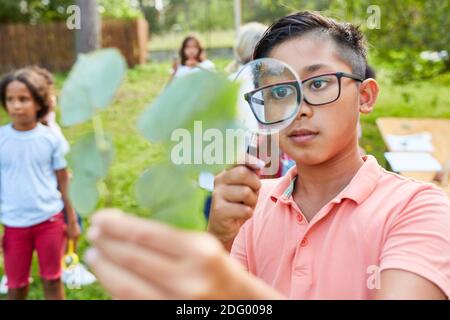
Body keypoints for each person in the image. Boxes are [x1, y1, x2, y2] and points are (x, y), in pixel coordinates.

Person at [85, 11, 450, 299]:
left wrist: (223, 281)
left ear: (366, 96)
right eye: (278, 93)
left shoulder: (419, 209)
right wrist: (219, 237)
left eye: (319, 83)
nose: (299, 108)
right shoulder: (254, 207)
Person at [0, 68, 81, 300]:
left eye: (23, 99)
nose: (16, 106)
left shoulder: (51, 139)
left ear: (39, 102)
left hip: (50, 222)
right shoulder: (1, 139)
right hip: (14, 226)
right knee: (16, 287)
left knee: (53, 281)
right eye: (10, 99)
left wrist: (71, 220)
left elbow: (64, 181)